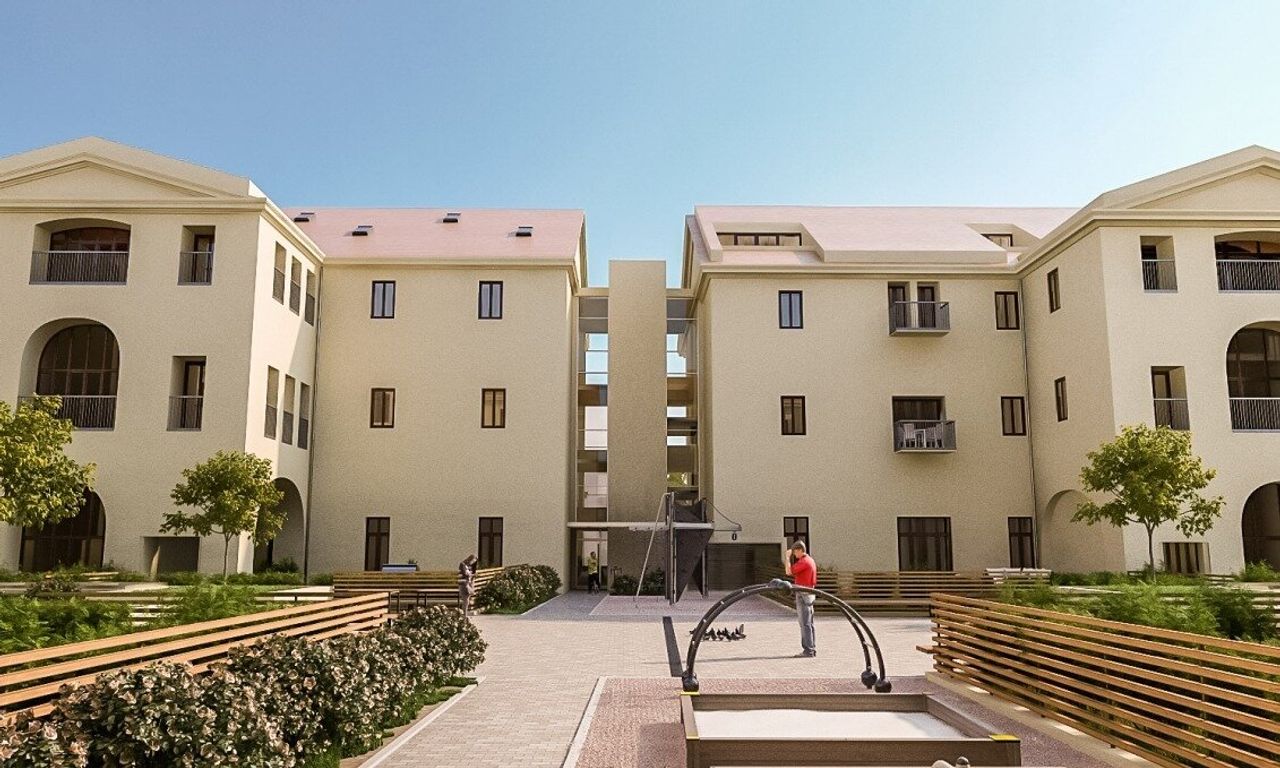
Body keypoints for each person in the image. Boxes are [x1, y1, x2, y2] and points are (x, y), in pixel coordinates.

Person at [784, 540, 817, 657]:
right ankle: (812, 648)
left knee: (804, 623)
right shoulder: (810, 560)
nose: (794, 554)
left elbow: (788, 571)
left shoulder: (804, 562)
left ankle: (808, 650)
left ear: (800, 550)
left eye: (794, 552)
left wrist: (787, 558)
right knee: (809, 623)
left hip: (803, 594)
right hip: (809, 593)